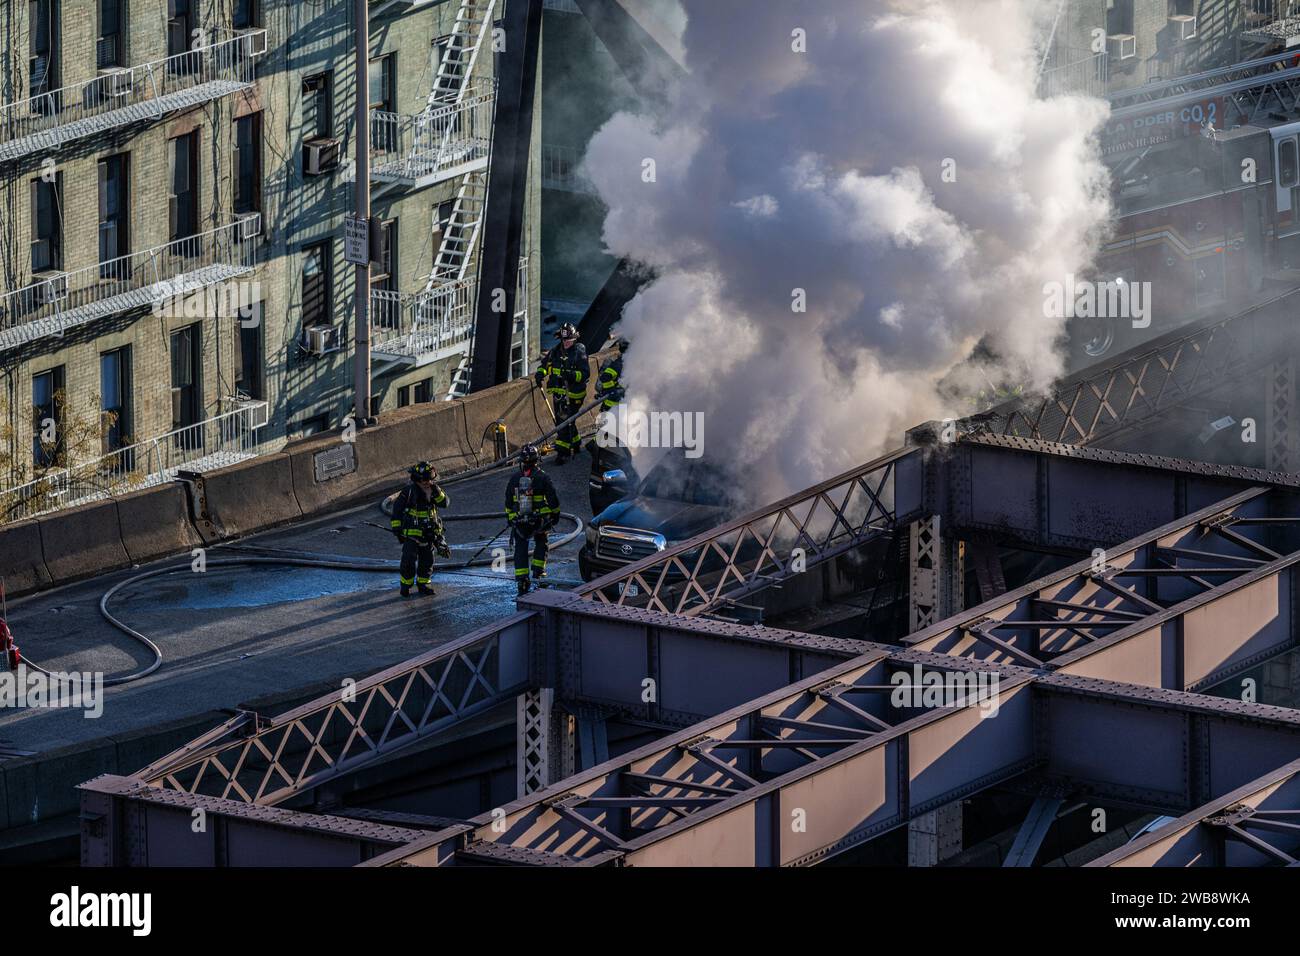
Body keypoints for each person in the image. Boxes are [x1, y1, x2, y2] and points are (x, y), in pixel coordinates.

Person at [504, 443, 560, 596]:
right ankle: (538, 573)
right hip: (539, 520)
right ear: (537, 460)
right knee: (541, 542)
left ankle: (522, 579)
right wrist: (555, 515)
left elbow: (508, 501)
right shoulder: (543, 477)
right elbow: (553, 499)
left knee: (521, 547)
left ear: (522, 461)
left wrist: (511, 518)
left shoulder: (515, 478)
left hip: (520, 521)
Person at [390, 461, 451, 597]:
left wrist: (436, 491)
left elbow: (445, 503)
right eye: (421, 479)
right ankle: (406, 585)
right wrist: (397, 528)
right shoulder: (409, 491)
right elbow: (397, 510)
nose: (425, 482)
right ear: (416, 479)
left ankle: (424, 584)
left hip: (430, 534)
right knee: (408, 561)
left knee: (427, 561)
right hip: (412, 534)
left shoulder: (435, 490)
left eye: (428, 479)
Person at [534, 323, 588, 464]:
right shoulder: (555, 351)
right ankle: (575, 444)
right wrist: (540, 374)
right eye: (564, 340)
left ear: (574, 338)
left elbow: (585, 374)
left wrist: (570, 375)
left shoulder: (579, 351)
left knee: (563, 423)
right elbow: (544, 366)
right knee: (567, 422)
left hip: (573, 395)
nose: (566, 343)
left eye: (568, 340)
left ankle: (562, 453)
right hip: (558, 393)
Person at [597, 335, 629, 411]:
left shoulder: (627, 363)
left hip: (619, 406)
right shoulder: (619, 364)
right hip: (613, 406)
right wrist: (612, 391)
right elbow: (605, 377)